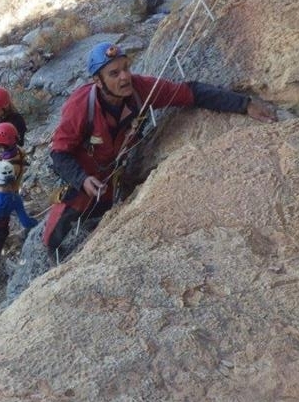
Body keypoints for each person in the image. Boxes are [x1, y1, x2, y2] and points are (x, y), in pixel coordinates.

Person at [42, 41, 277, 257]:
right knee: (59, 227)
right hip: (84, 173)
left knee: (102, 211)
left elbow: (190, 92)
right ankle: (49, 251)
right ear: (98, 81)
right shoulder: (81, 105)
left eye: (126, 68)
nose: (125, 77)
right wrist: (82, 180)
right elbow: (59, 152)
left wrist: (244, 105)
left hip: (111, 175)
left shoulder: (140, 90)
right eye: (114, 73)